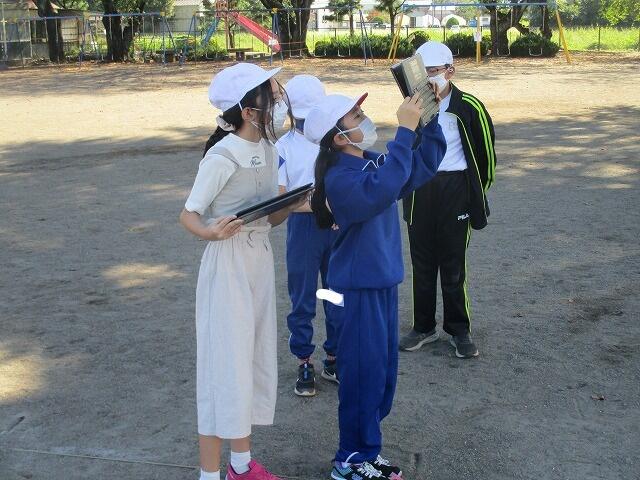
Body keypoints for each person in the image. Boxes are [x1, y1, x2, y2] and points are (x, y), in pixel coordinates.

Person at [305, 92, 446, 479]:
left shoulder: (370, 163)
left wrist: (429, 120)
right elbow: (383, 187)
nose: (364, 117)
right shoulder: (340, 179)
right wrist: (405, 131)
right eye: (355, 115)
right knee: (362, 376)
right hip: (357, 290)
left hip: (381, 283)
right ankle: (349, 459)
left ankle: (368, 449)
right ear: (338, 137)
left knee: (382, 376)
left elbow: (421, 166)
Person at [180, 63, 299, 480]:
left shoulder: (268, 149)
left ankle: (242, 465)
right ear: (248, 111)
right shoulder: (221, 155)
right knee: (224, 367)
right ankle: (210, 474)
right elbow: (189, 214)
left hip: (258, 259)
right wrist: (211, 232)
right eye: (271, 96)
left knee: (252, 358)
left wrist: (295, 202)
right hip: (227, 263)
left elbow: (271, 217)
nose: (279, 102)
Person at [399, 41, 497, 359]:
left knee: (453, 265)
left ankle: (459, 329)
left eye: (433, 71)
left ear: (450, 71)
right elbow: (404, 148)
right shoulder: (412, 106)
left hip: (456, 189)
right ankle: (423, 327)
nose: (427, 79)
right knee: (422, 264)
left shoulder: (469, 106)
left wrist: (474, 193)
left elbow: (486, 157)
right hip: (421, 190)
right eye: (420, 72)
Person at [275, 74, 340, 397]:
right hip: (304, 232)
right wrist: (321, 204)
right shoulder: (283, 147)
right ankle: (304, 359)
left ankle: (334, 357)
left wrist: (324, 204)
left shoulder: (334, 142)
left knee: (335, 295)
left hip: (336, 229)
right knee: (302, 298)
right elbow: (282, 199)